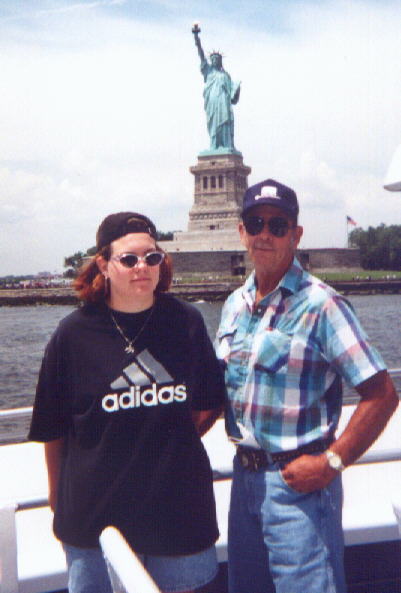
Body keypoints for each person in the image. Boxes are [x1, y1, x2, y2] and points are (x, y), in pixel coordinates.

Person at [215, 179, 398, 593]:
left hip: (300, 486)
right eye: (255, 222)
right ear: (242, 231)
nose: (265, 234)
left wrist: (331, 463)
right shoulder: (233, 305)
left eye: (278, 226)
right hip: (244, 483)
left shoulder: (321, 304)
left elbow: (382, 394)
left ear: (296, 235)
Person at [29, 212, 225, 593]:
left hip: (179, 515)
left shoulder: (187, 322)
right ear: (103, 263)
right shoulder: (72, 334)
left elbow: (207, 404)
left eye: (152, 258)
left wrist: (168, 437)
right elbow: (52, 427)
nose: (143, 268)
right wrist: (57, 495)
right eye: (129, 259)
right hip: (95, 521)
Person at [192, 26, 240, 152]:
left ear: (220, 61)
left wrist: (237, 89)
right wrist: (197, 39)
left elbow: (233, 98)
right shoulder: (208, 71)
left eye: (216, 59)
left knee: (225, 122)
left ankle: (226, 145)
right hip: (212, 101)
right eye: (212, 59)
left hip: (223, 101)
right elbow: (201, 55)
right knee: (214, 124)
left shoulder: (226, 75)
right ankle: (214, 145)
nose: (214, 60)